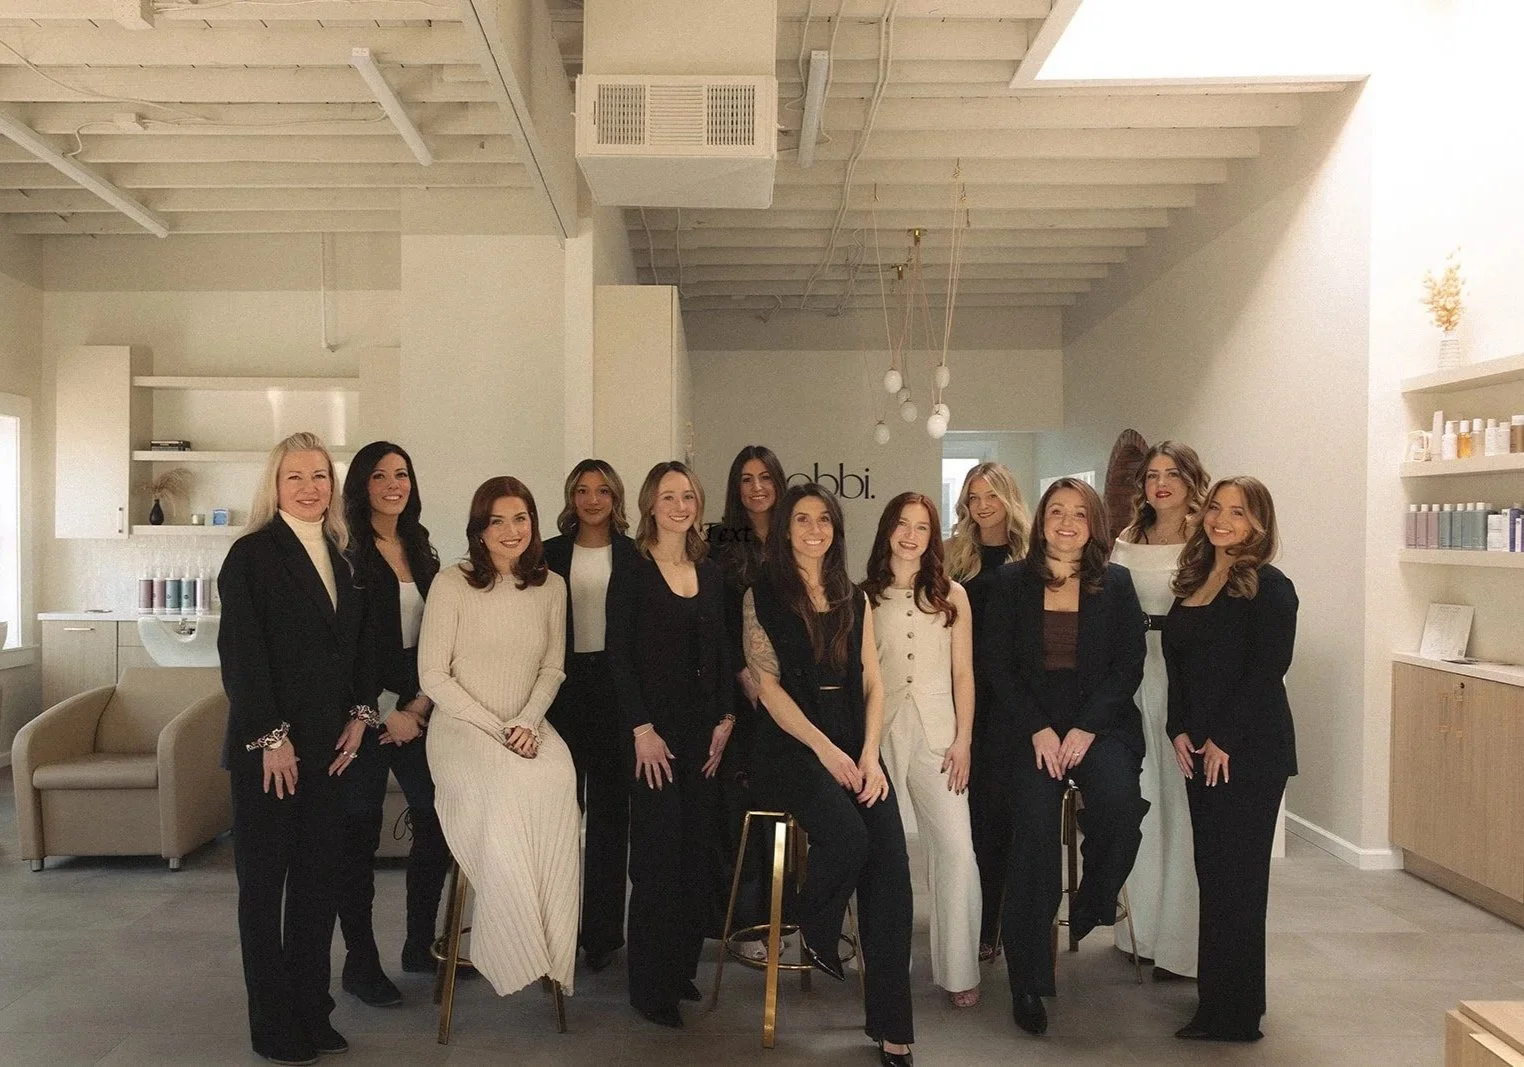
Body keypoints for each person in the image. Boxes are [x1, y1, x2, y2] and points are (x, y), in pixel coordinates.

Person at [743, 484, 914, 1067]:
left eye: (824, 519)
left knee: (890, 862)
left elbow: (873, 680)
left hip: (853, 741)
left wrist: (868, 753)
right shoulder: (763, 594)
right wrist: (827, 751)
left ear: (836, 529)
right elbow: (767, 689)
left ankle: (893, 1028)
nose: (814, 529)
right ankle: (814, 924)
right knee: (848, 836)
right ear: (785, 529)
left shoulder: (853, 596)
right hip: (791, 744)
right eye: (802, 519)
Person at [218, 431, 374, 1066]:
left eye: (320, 476)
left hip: (330, 750)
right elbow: (242, 656)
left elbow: (355, 650)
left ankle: (313, 1012)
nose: (310, 488)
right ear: (275, 486)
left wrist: (361, 715)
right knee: (263, 891)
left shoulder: (344, 556)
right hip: (270, 755)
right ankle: (272, 1024)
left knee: (317, 886)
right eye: (295, 477)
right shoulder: (251, 555)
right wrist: (270, 738)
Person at [983, 477, 1148, 1037]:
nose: (1068, 522)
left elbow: (1128, 665)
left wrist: (1086, 728)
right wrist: (1038, 728)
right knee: (1032, 834)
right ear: (1041, 521)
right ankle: (1028, 982)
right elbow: (998, 666)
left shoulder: (1117, 583)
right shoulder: (1011, 582)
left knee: (1120, 809)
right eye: (1057, 511)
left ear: (1094, 523)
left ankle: (1092, 901)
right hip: (1029, 727)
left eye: (1080, 513)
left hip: (1100, 724)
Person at [418, 477, 579, 1000]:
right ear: (479, 529)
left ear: (534, 523)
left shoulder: (551, 586)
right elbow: (433, 676)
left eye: (521, 519)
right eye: (497, 520)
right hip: (463, 730)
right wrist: (498, 729)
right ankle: (516, 940)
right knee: (508, 790)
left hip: (529, 725)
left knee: (560, 781)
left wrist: (527, 723)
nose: (511, 531)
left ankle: (551, 944)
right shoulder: (451, 583)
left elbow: (552, 668)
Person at [1164, 476, 1297, 1043]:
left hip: (1248, 753)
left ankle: (1235, 1015)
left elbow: (1267, 671)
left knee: (1238, 883)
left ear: (1258, 523)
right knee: (1215, 878)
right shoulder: (1196, 577)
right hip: (1200, 750)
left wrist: (1224, 738)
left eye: (1237, 512)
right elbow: (1179, 665)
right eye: (1216, 508)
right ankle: (1224, 999)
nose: (1221, 519)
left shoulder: (1272, 587)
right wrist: (1177, 728)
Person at [607, 461, 735, 1028]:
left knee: (695, 856)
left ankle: (680, 968)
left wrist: (727, 718)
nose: (680, 506)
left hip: (703, 736)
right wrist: (640, 729)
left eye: (688, 496)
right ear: (650, 505)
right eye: (668, 497)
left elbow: (724, 650)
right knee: (657, 861)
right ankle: (649, 987)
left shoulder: (710, 570)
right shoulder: (632, 570)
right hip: (651, 739)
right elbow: (618, 657)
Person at [333, 441, 452, 1009]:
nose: (393, 485)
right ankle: (360, 963)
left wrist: (417, 708)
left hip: (416, 708)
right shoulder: (345, 552)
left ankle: (418, 945)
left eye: (401, 474)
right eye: (379, 476)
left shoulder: (422, 548)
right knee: (357, 834)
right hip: (360, 712)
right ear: (361, 485)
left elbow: (442, 637)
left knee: (438, 818)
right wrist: (381, 710)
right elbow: (343, 646)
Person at [861, 492, 982, 1008]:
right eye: (902, 524)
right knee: (883, 854)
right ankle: (885, 966)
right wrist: (864, 750)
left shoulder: (953, 596)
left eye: (922, 527)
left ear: (933, 537)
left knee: (956, 849)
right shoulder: (864, 598)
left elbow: (964, 674)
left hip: (940, 736)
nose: (910, 536)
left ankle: (959, 969)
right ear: (887, 529)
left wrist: (964, 740)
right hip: (880, 733)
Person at [1110, 441, 1211, 980]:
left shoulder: (1206, 540)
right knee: (1142, 801)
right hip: (1134, 674)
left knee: (1184, 810)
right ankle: (1141, 933)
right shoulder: (1127, 538)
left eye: (1172, 473)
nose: (1161, 484)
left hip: (1185, 674)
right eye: (1152, 475)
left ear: (1192, 480)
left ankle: (1182, 943)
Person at [544, 458, 639, 975]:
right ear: (571, 497)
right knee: (560, 814)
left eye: (602, 490)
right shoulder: (549, 553)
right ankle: (556, 929)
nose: (592, 499)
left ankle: (602, 935)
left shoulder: (634, 555)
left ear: (615, 497)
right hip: (560, 687)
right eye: (582, 490)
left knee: (609, 816)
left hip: (616, 689)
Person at [944, 461, 1030, 962]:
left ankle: (999, 922)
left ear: (1008, 498)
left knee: (1005, 816)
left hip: (1015, 701)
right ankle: (975, 920)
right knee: (974, 816)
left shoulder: (1033, 556)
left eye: (991, 495)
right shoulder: (954, 557)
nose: (981, 506)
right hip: (965, 694)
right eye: (973, 497)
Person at [707, 444, 788, 956]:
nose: (756, 488)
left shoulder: (793, 533)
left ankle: (782, 916)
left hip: (789, 690)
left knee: (783, 804)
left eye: (765, 477)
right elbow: (715, 619)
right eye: (746, 479)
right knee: (741, 809)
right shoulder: (723, 539)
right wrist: (743, 675)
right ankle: (744, 925)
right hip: (740, 691)